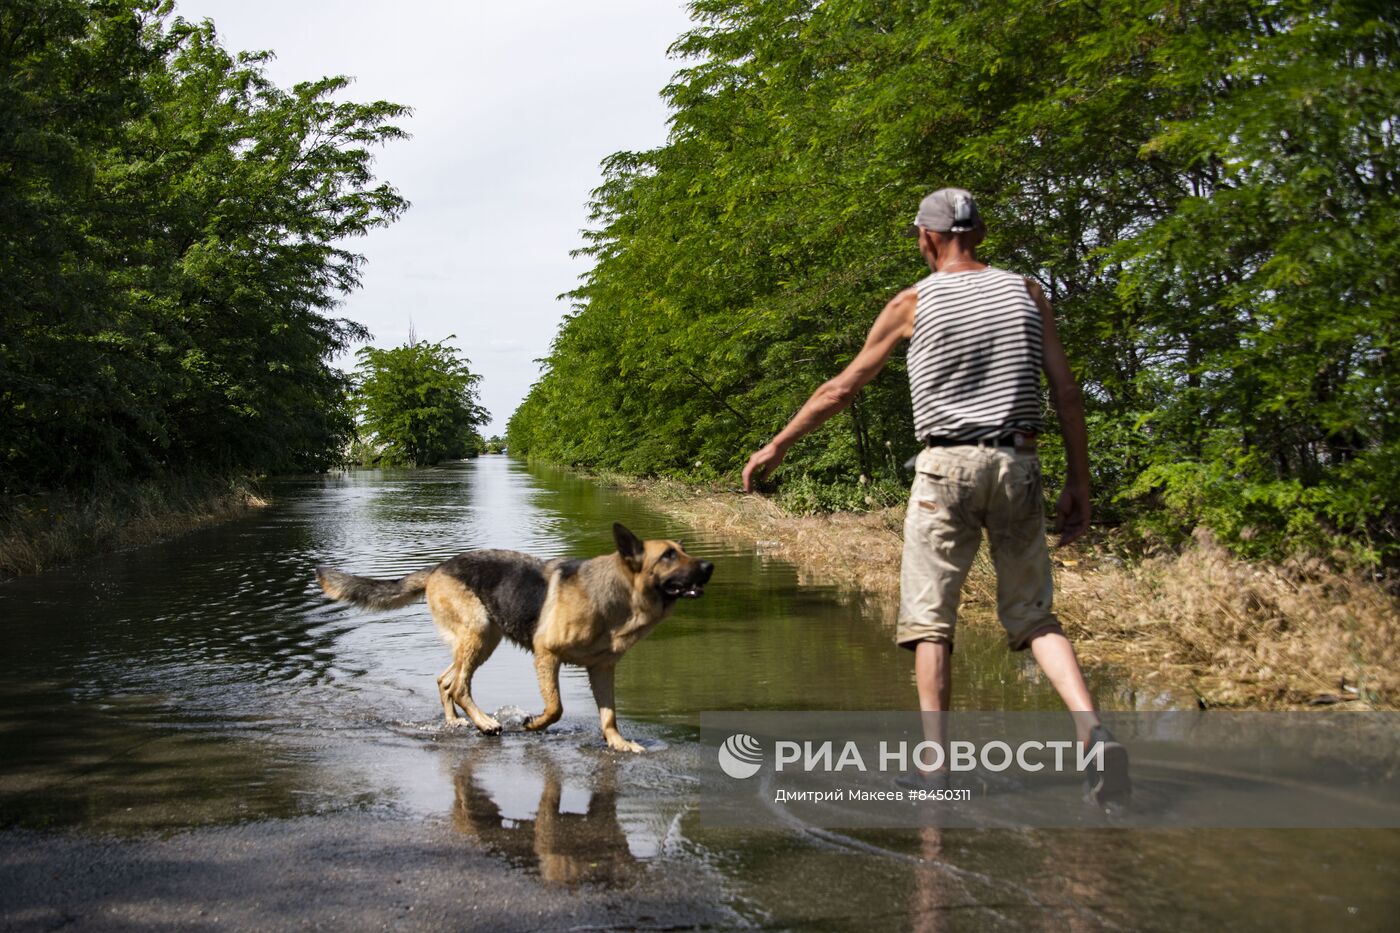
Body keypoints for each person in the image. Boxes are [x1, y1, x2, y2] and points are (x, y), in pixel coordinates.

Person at [741, 188, 1129, 804]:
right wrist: (1079, 481)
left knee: (931, 622)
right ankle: (1093, 733)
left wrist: (777, 446)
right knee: (1034, 615)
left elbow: (841, 390)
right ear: (978, 234)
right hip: (1018, 462)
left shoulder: (913, 302)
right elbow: (1066, 390)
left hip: (945, 467)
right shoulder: (1026, 292)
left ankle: (935, 769)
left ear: (926, 237)